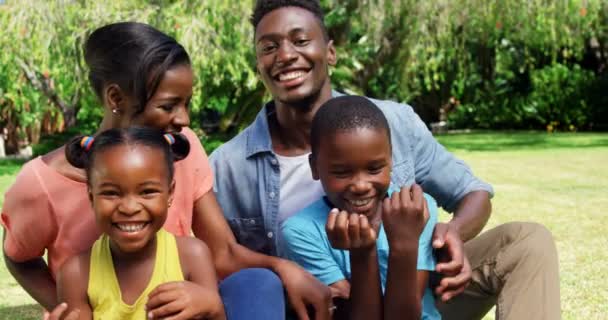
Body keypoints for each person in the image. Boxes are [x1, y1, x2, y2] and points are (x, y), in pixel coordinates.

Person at [209, 1, 560, 319]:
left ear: (330, 52)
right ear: (258, 64)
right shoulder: (229, 164)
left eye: (300, 41)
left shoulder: (393, 121)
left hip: (414, 290)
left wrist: (449, 233)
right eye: (269, 48)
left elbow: (473, 193)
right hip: (323, 306)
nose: (285, 55)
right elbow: (221, 259)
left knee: (527, 241)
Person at [2, 22, 330, 320]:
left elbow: (222, 251)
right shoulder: (41, 182)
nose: (184, 120)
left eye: (186, 103)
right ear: (116, 97)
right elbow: (19, 256)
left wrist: (284, 269)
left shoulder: (180, 148)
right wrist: (69, 307)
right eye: (168, 105)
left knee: (257, 284)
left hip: (187, 307)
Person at [280, 96, 440, 320]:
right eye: (342, 172)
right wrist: (363, 253)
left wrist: (405, 244)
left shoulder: (416, 209)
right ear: (315, 167)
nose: (361, 186)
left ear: (391, 159)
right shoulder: (301, 231)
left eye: (374, 169)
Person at [57, 127, 225, 320]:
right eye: (111, 193)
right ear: (91, 196)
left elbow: (215, 314)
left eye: (147, 192)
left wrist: (213, 307)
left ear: (170, 193)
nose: (129, 208)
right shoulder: (76, 274)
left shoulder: (192, 257)